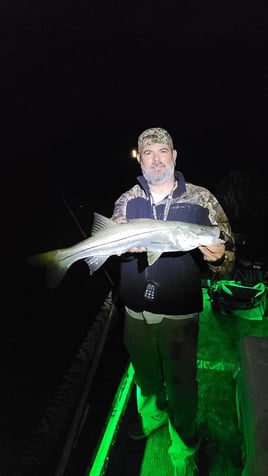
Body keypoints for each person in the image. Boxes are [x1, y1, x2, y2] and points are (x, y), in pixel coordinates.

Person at [108, 127, 235, 475]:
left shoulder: (201, 199)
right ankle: (152, 417)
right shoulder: (127, 200)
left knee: (182, 385)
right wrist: (121, 248)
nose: (156, 159)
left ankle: (184, 449)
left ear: (174, 156)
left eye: (162, 151)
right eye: (148, 153)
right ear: (140, 157)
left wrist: (218, 257)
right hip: (135, 310)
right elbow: (114, 244)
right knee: (146, 375)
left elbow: (227, 254)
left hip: (180, 314)